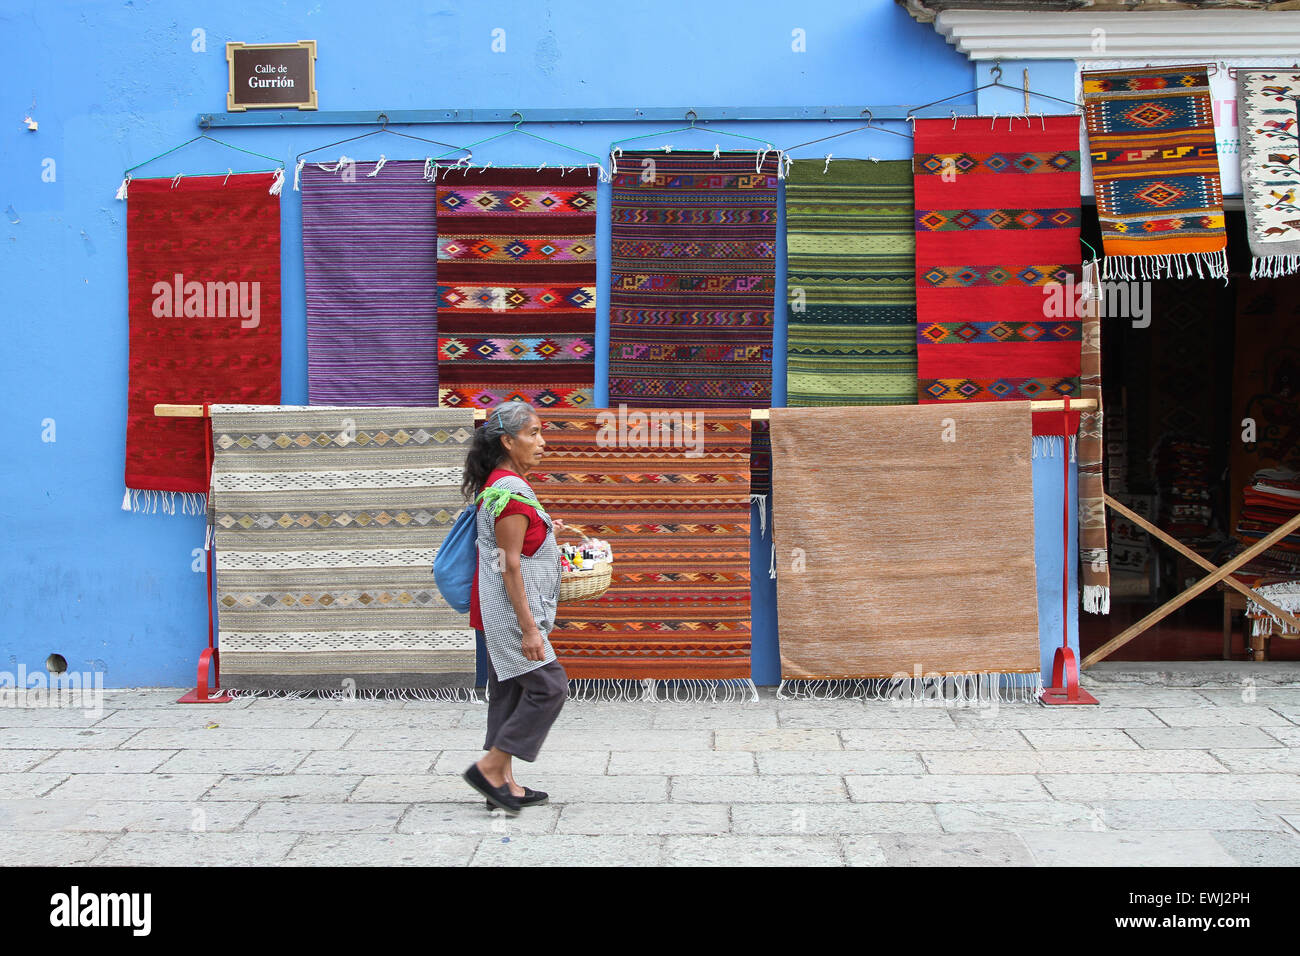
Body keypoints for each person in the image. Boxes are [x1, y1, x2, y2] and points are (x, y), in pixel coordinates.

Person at [460, 399, 568, 815]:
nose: (542, 442)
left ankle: (502, 784)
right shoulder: (509, 493)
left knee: (508, 691)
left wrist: (546, 530)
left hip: (494, 606)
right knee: (549, 686)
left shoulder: (503, 485)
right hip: (509, 612)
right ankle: (489, 768)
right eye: (533, 433)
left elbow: (516, 546)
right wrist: (528, 629)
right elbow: (509, 566)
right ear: (508, 440)